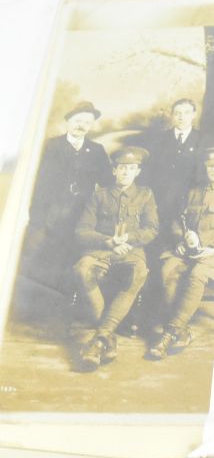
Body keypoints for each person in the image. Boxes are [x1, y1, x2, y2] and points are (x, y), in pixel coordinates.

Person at [147, 147, 214, 360]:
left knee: (197, 275)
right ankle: (183, 330)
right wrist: (181, 240)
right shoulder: (195, 191)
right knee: (167, 270)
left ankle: (169, 333)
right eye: (209, 165)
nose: (213, 169)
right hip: (191, 251)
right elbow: (179, 221)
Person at [73, 146, 158, 372]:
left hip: (131, 251)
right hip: (101, 250)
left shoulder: (146, 195)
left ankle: (99, 339)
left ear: (138, 171)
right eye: (122, 168)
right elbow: (82, 230)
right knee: (82, 270)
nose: (126, 172)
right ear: (114, 171)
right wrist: (108, 242)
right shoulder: (99, 195)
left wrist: (130, 239)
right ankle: (107, 336)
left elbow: (152, 229)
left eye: (131, 168)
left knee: (139, 272)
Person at [23, 101, 112, 289]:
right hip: (49, 211)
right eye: (78, 121)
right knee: (39, 253)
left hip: (80, 213)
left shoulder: (96, 150)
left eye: (87, 123)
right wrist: (36, 215)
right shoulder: (50, 146)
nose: (81, 126)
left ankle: (60, 294)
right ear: (69, 121)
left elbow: (107, 183)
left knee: (70, 254)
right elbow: (35, 180)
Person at [145, 98, 205, 235]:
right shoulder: (160, 139)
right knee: (162, 236)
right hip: (163, 199)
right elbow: (151, 171)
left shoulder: (202, 139)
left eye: (186, 113)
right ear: (172, 115)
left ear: (194, 114)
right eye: (177, 113)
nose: (181, 117)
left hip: (191, 200)